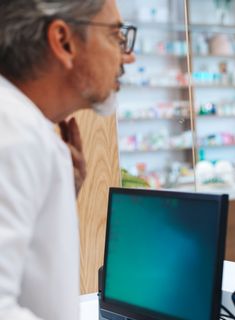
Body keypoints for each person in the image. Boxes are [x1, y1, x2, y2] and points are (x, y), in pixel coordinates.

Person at [0, 0, 136, 319]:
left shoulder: (25, 127)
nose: (128, 55)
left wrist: (54, 199)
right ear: (64, 42)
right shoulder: (16, 134)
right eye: (116, 37)